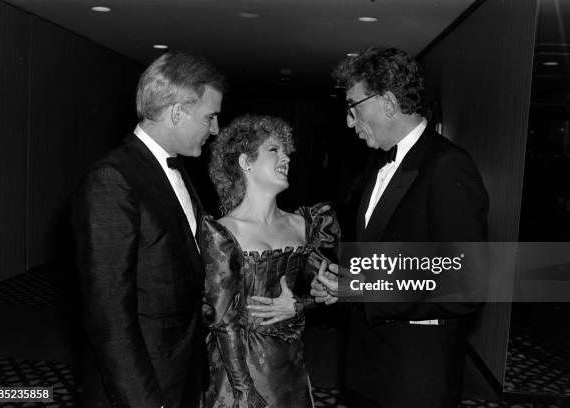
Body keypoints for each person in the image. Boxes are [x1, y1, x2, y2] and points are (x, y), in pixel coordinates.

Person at [311, 47, 489, 408]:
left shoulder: (447, 165)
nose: (349, 120)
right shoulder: (378, 162)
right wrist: (344, 282)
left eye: (352, 106)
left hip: (414, 378)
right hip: (369, 365)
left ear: (388, 102)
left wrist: (364, 289)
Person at [71, 51, 224, 408]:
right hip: (142, 389)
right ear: (176, 113)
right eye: (210, 117)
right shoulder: (112, 180)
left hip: (179, 375)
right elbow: (109, 315)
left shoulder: (178, 170)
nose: (215, 129)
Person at [200, 115, 340, 408]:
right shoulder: (222, 232)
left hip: (291, 368)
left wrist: (301, 305)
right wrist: (244, 390)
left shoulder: (307, 225)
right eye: (274, 150)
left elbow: (335, 287)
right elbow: (221, 321)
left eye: (287, 151)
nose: (286, 158)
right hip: (237, 371)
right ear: (245, 162)